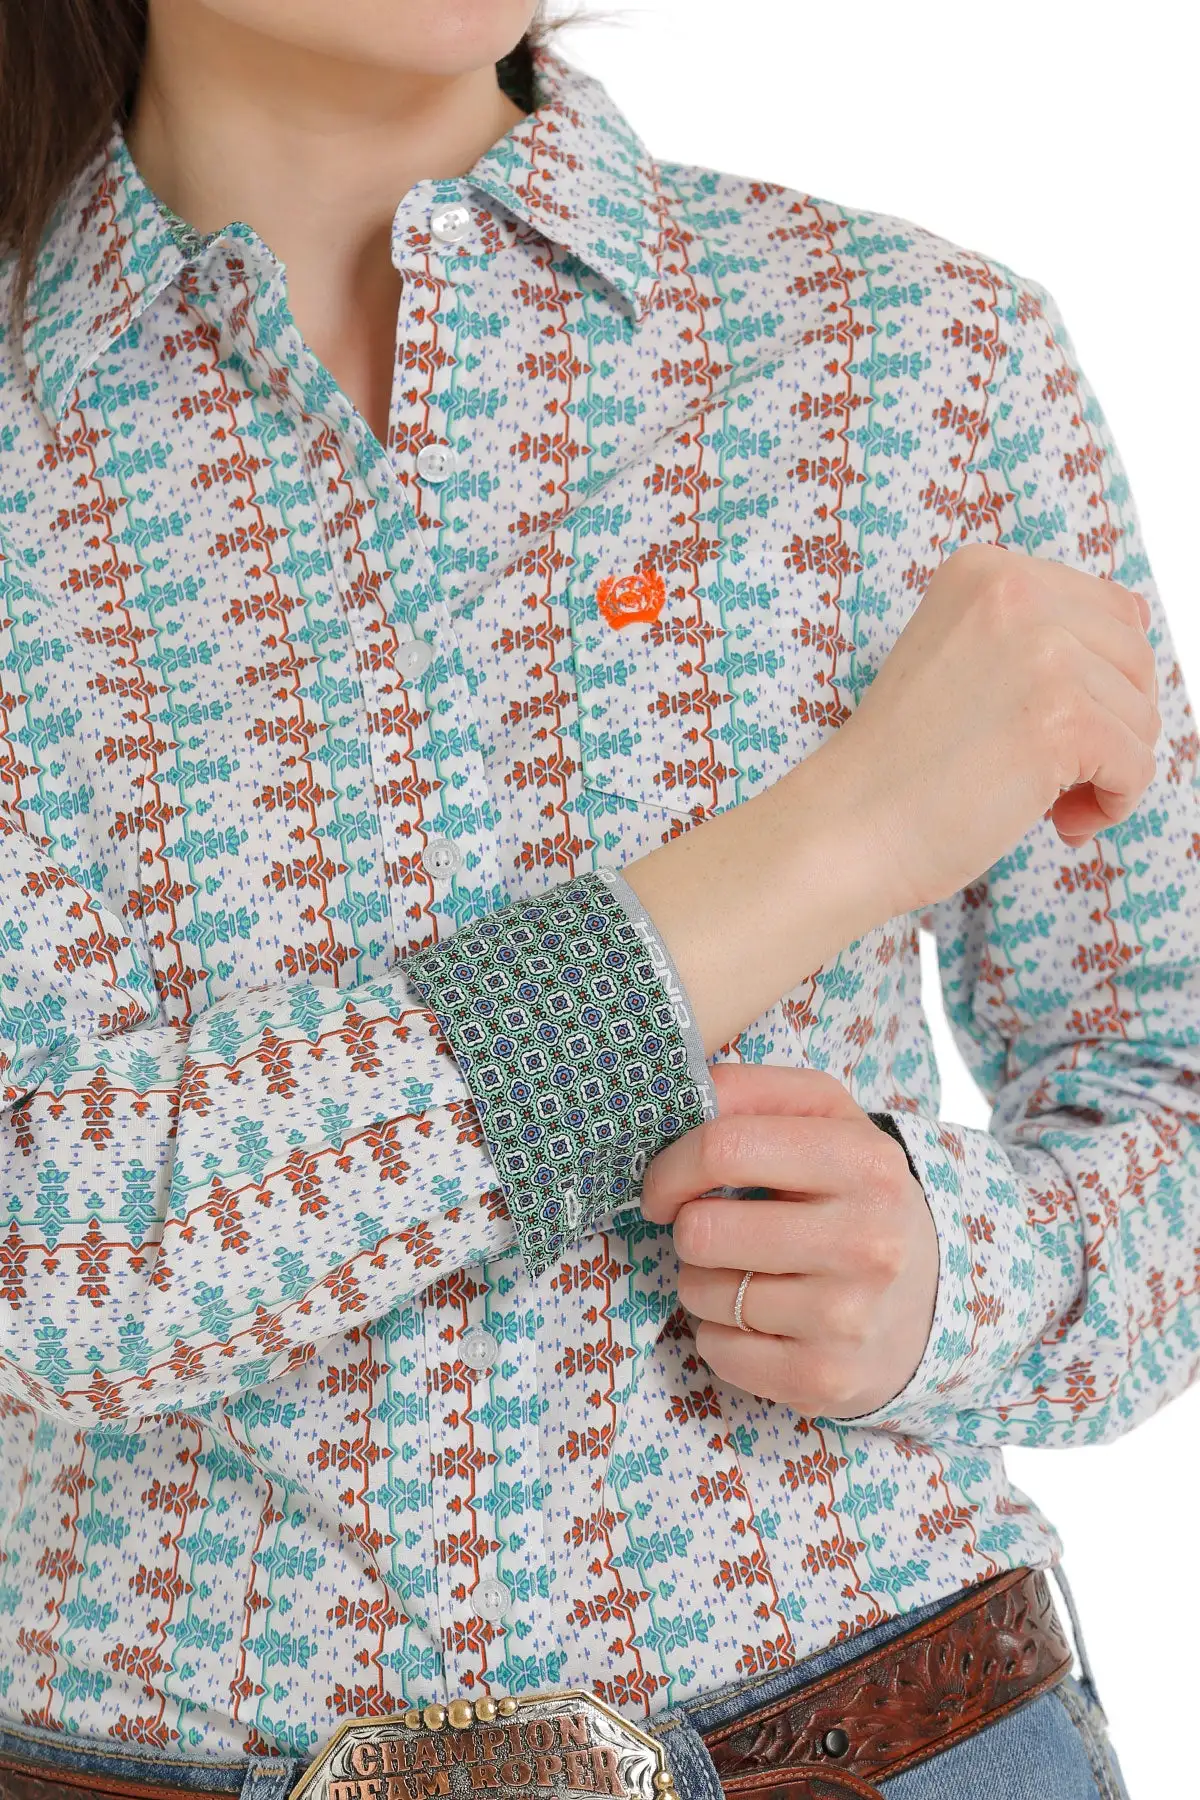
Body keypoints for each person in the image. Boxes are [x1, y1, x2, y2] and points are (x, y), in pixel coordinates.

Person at [0, 2, 1194, 1797]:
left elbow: (1170, 1075)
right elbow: (45, 1252)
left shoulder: (913, 355)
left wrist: (959, 1275)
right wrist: (832, 839)